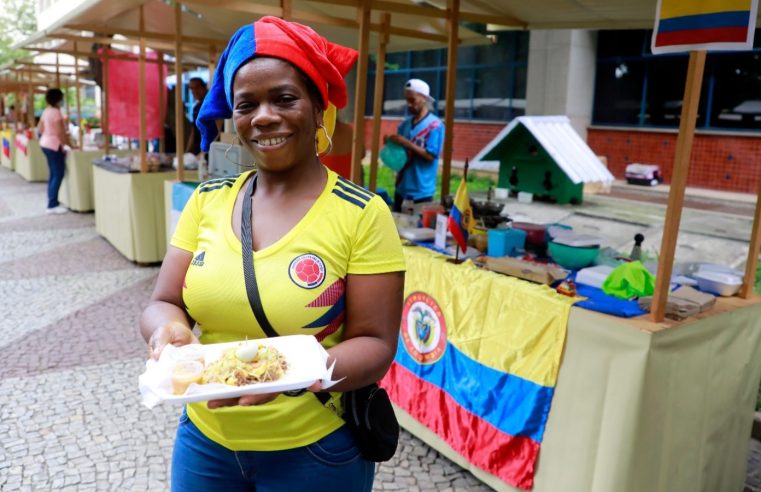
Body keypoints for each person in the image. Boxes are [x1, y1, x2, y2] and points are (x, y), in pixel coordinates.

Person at [140, 17, 405, 492]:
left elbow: (376, 344)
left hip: (315, 451)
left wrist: (296, 376)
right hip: (205, 444)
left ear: (318, 106)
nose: (263, 116)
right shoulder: (208, 200)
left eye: (284, 98)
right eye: (247, 104)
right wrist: (169, 330)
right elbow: (163, 300)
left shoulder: (363, 214)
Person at [386, 78, 444, 212]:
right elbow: (400, 152)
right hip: (402, 187)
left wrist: (407, 143)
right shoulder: (405, 124)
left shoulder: (434, 125)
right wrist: (390, 143)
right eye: (407, 100)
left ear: (424, 98)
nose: (409, 104)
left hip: (421, 191)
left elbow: (430, 156)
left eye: (412, 100)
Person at [38, 89, 75, 214]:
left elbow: (40, 128)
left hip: (45, 143)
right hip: (54, 145)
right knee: (58, 173)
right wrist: (69, 145)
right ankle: (52, 204)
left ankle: (52, 201)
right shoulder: (56, 112)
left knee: (53, 173)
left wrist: (49, 134)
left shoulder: (46, 111)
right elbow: (60, 132)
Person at [184, 77, 208, 156]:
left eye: (197, 87)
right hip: (198, 151)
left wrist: (203, 153)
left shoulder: (210, 105)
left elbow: (216, 131)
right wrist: (187, 152)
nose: (194, 91)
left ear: (204, 87)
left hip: (209, 151)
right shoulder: (196, 108)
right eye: (191, 89)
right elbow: (194, 130)